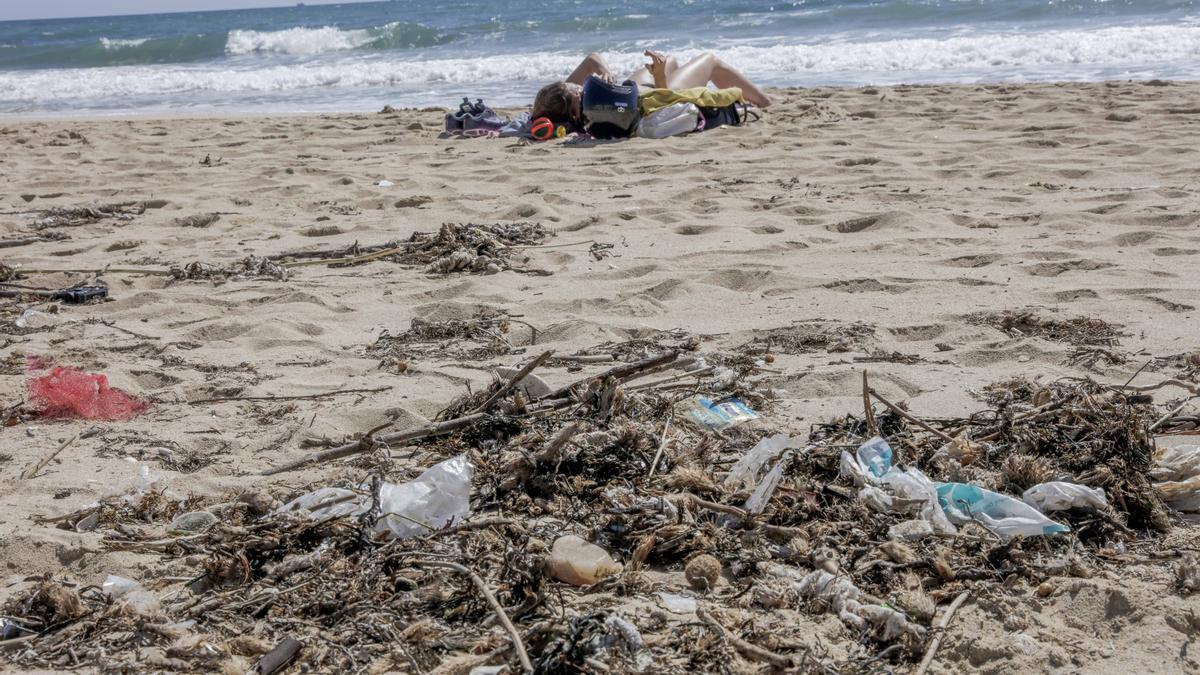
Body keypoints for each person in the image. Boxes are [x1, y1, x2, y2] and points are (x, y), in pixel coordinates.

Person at [531, 50, 771, 129]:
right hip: (647, 94)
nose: (582, 88)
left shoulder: (556, 99)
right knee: (709, 61)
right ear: (573, 111)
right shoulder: (576, 103)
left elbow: (592, 59)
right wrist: (659, 78)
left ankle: (663, 72)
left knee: (672, 60)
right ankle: (764, 101)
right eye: (578, 92)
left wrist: (605, 72)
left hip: (634, 86)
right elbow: (663, 103)